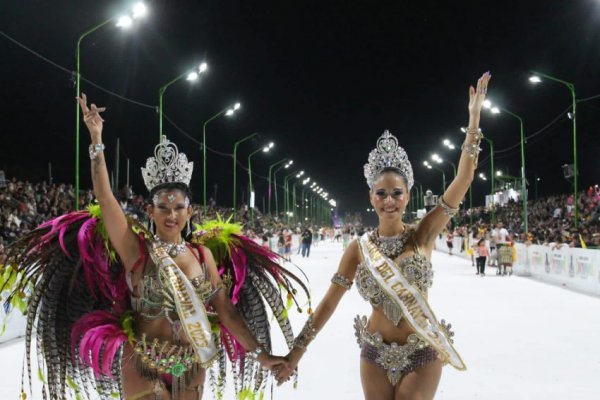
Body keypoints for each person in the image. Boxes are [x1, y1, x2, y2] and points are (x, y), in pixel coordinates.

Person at [3, 94, 304, 400]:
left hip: (191, 364)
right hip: (142, 364)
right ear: (150, 211)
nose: (171, 215)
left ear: (190, 212)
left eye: (178, 208)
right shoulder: (136, 250)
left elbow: (226, 313)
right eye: (163, 207)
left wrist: (262, 355)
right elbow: (105, 198)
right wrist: (96, 140)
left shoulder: (203, 256)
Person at [277, 72, 491, 399]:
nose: (389, 200)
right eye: (381, 193)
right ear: (371, 198)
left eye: (396, 193)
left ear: (408, 195)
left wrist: (474, 118)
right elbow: (329, 303)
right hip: (374, 354)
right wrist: (296, 353)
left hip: (421, 351)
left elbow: (463, 179)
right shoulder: (358, 249)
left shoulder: (424, 234)